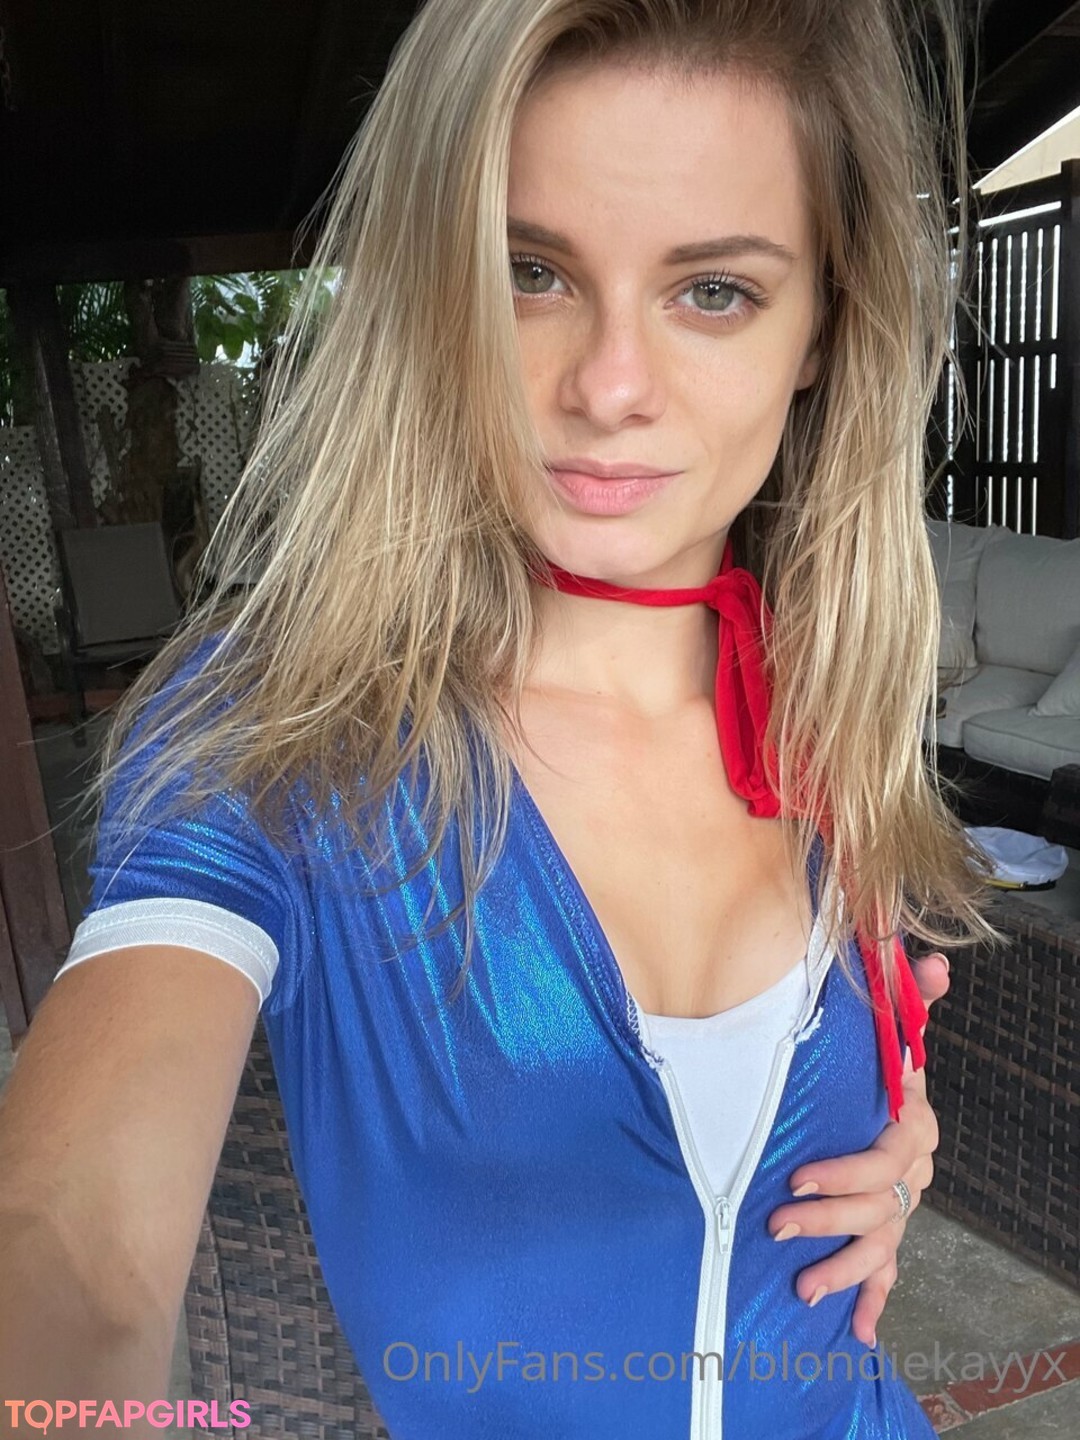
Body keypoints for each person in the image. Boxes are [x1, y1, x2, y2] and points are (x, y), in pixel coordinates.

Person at [0, 0, 987, 1435]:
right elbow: (71, 1250)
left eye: (715, 291)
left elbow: (830, 1101)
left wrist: (895, 1123)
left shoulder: (827, 698)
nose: (609, 388)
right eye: (531, 273)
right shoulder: (284, 734)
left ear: (824, 327)